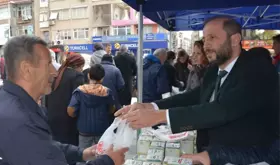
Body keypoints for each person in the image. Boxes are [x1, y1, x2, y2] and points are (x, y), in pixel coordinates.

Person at [0, 35, 128, 165]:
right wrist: (108, 162)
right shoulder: (15, 120)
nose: (55, 72)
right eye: (48, 64)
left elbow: (42, 149)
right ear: (27, 69)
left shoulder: (9, 104)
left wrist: (82, 153)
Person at [116, 16, 278, 153]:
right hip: (213, 156)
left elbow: (222, 109)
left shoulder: (257, 70)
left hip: (249, 163)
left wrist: (159, 116)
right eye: (205, 39)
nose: (206, 45)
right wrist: (151, 106)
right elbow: (195, 96)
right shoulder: (215, 68)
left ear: (235, 39)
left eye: (212, 38)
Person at [68, 64, 116, 149]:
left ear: (88, 75)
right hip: (101, 130)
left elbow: (71, 110)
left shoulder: (79, 92)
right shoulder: (107, 92)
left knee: (83, 156)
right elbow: (112, 109)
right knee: (101, 155)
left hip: (84, 130)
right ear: (102, 78)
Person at [46, 53, 85, 146]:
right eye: (81, 67)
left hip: (52, 117)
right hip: (68, 121)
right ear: (77, 65)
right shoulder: (77, 76)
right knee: (70, 151)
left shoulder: (57, 73)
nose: (82, 70)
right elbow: (79, 100)